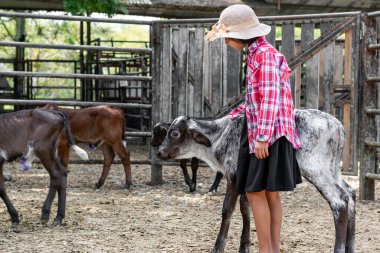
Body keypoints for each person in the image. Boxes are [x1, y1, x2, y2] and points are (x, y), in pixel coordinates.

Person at [205, 4, 302, 253]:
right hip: (265, 130)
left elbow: (270, 98)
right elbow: (255, 100)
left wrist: (261, 138)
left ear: (240, 35)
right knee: (268, 193)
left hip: (266, 133)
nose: (226, 43)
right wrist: (232, 116)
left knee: (256, 192)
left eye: (227, 37)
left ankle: (266, 250)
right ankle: (271, 250)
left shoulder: (264, 55)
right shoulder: (255, 53)